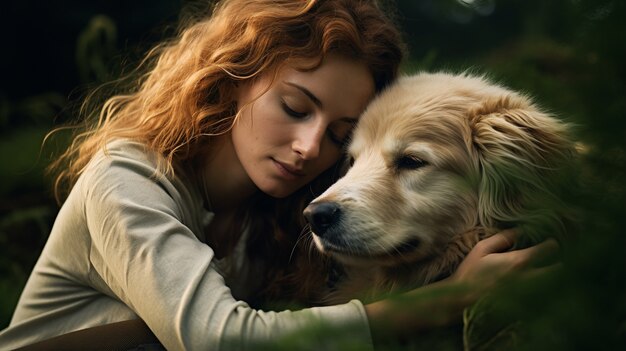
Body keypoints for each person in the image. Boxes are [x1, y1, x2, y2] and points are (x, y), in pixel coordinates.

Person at [0, 0, 560, 350]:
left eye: (340, 136)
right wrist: (443, 303)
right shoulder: (124, 180)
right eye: (294, 107)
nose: (310, 148)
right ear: (232, 78)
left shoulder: (277, 210)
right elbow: (213, 339)